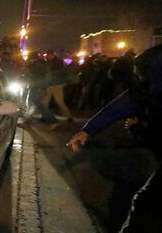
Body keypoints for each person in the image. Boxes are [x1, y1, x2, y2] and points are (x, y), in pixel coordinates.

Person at [66, 44, 162, 233]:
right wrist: (87, 130)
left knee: (144, 204)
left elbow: (157, 140)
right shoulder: (146, 89)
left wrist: (136, 130)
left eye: (141, 73)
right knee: (142, 203)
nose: (138, 77)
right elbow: (120, 106)